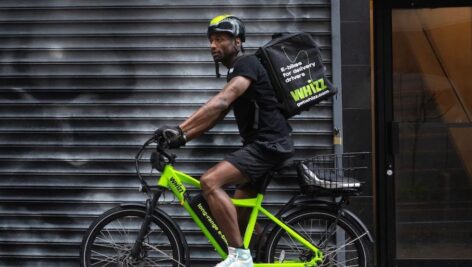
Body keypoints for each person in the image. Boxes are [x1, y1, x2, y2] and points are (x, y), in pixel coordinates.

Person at [155, 15, 294, 267]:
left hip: (268, 145)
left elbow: (221, 101)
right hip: (265, 145)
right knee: (239, 214)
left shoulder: (247, 64)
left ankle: (240, 257)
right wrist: (183, 136)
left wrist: (178, 128)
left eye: (220, 39)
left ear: (237, 42)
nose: (212, 45)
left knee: (209, 181)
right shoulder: (237, 70)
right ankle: (270, 254)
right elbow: (216, 115)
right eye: (211, 40)